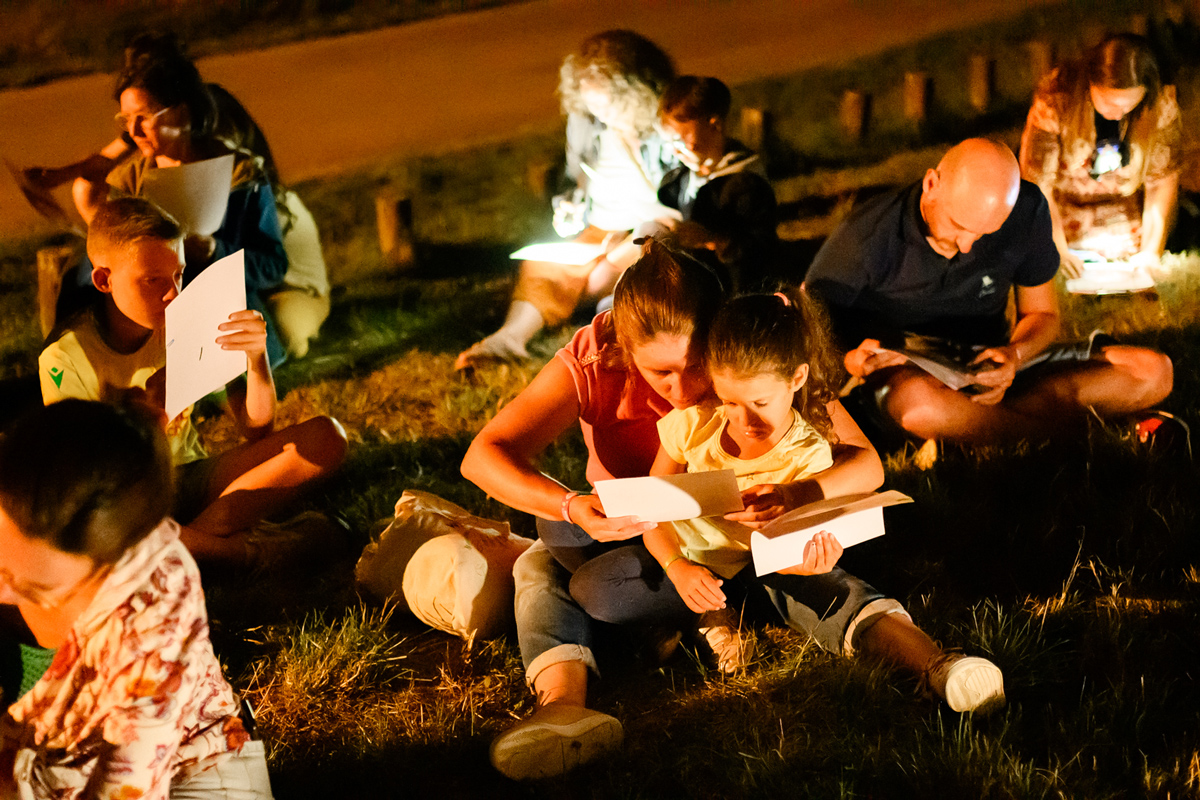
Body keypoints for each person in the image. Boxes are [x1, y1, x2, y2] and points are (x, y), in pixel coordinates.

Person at [461, 240, 891, 780]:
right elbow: (484, 455)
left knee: (538, 568)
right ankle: (563, 708)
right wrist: (573, 505)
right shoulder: (593, 359)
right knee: (552, 536)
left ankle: (696, 617)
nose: (684, 390)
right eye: (661, 372)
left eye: (696, 366)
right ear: (622, 345)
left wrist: (799, 494)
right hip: (645, 532)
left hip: (736, 542)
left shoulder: (746, 354)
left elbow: (864, 462)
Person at [568, 291, 1005, 701]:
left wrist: (809, 556)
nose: (744, 420)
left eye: (760, 402)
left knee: (838, 592)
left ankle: (939, 665)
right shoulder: (693, 426)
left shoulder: (808, 450)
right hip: (701, 563)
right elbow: (653, 508)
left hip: (775, 569)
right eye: (729, 402)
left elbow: (828, 513)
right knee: (596, 586)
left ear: (797, 378)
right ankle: (712, 614)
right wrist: (677, 566)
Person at [39, 197, 348, 570]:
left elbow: (256, 428)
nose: (173, 294)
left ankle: (194, 542)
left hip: (192, 478)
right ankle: (244, 552)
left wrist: (256, 359)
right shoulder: (67, 357)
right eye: (152, 280)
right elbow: (90, 480)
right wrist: (152, 415)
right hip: (132, 496)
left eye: (178, 275)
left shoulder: (187, 319)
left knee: (326, 437)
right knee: (100, 524)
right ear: (104, 279)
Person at [805, 137, 1173, 445]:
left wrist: (1013, 356)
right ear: (932, 184)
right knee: (920, 407)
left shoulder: (1026, 211)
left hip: (990, 363)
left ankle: (984, 426)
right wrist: (850, 359)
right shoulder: (866, 239)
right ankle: (1069, 435)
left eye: (984, 233)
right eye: (958, 226)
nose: (967, 246)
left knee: (1152, 371)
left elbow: (1042, 315)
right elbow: (804, 332)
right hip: (911, 375)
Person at [0, 399, 275, 799]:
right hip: (41, 759)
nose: (2, 589)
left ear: (104, 564)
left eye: (22, 583)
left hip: (188, 763)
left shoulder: (156, 617)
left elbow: (128, 784)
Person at [62, 32, 293, 366]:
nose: (134, 131)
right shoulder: (130, 182)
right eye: (125, 121)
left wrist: (215, 252)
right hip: (153, 330)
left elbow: (272, 265)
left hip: (222, 326)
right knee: (81, 276)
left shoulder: (240, 175)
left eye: (144, 117)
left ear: (181, 114)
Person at [455, 30, 677, 369]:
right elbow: (578, 178)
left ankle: (611, 339)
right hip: (602, 226)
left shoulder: (669, 125)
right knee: (543, 267)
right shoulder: (587, 119)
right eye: (591, 104)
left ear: (636, 94)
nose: (597, 113)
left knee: (609, 275)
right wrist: (571, 205)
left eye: (606, 104)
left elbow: (682, 202)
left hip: (653, 224)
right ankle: (509, 339)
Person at [1019, 33, 1180, 275]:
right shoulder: (1057, 98)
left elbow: (1163, 182)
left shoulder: (1158, 104)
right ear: (1090, 84)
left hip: (1127, 213)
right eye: (1109, 103)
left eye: (1128, 105)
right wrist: (1057, 250)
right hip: (1065, 211)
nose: (1118, 113)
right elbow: (1037, 184)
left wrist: (1150, 253)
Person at [655, 75, 779, 292]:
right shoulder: (686, 170)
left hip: (721, 288)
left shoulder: (745, 183)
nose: (675, 150)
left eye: (681, 140)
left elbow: (761, 249)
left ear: (715, 125)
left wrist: (711, 240)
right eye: (670, 141)